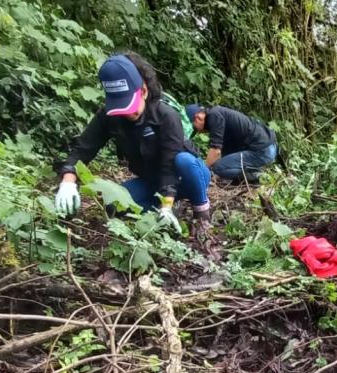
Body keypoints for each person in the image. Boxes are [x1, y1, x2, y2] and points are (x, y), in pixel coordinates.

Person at [54, 52, 213, 239]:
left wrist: (166, 204)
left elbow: (169, 165)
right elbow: (83, 148)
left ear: (143, 91)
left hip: (186, 176)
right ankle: (163, 214)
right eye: (120, 107)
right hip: (151, 181)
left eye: (130, 105)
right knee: (114, 205)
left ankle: (202, 213)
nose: (127, 114)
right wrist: (68, 181)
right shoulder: (110, 116)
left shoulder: (165, 116)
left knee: (184, 160)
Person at [185, 103, 277, 184]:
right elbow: (222, 154)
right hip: (267, 148)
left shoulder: (214, 116)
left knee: (217, 168)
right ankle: (251, 173)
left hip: (262, 150)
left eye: (195, 128)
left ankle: (256, 175)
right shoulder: (218, 115)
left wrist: (202, 172)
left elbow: (215, 151)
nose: (199, 132)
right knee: (219, 166)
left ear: (198, 118)